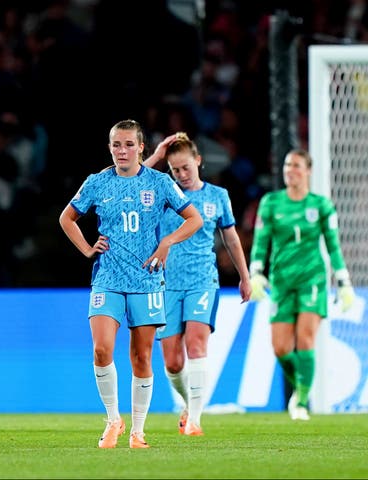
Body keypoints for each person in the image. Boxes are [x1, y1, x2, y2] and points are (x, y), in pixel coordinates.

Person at [59, 119, 203, 449]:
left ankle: (138, 432)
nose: (121, 151)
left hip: (147, 279)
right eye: (115, 145)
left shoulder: (160, 183)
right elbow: (66, 217)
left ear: (141, 148)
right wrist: (86, 249)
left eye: (128, 145)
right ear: (109, 148)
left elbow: (194, 218)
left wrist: (167, 242)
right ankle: (113, 420)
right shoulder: (96, 183)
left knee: (141, 357)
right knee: (101, 349)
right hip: (107, 278)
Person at [143, 132, 252, 436]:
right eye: (175, 170)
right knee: (174, 362)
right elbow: (136, 181)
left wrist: (245, 276)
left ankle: (195, 420)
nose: (181, 175)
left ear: (199, 161)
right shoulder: (164, 194)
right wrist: (160, 152)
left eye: (185, 168)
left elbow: (230, 237)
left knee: (196, 344)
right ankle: (187, 403)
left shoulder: (217, 196)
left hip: (202, 280)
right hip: (164, 284)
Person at [248, 148, 356, 421]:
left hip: (312, 279)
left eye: (296, 165)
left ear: (308, 171)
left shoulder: (321, 205)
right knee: (281, 348)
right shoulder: (271, 203)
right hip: (282, 280)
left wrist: (343, 282)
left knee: (306, 340)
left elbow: (333, 245)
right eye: (287, 165)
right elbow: (261, 242)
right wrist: (256, 272)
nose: (290, 170)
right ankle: (302, 384)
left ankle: (302, 401)